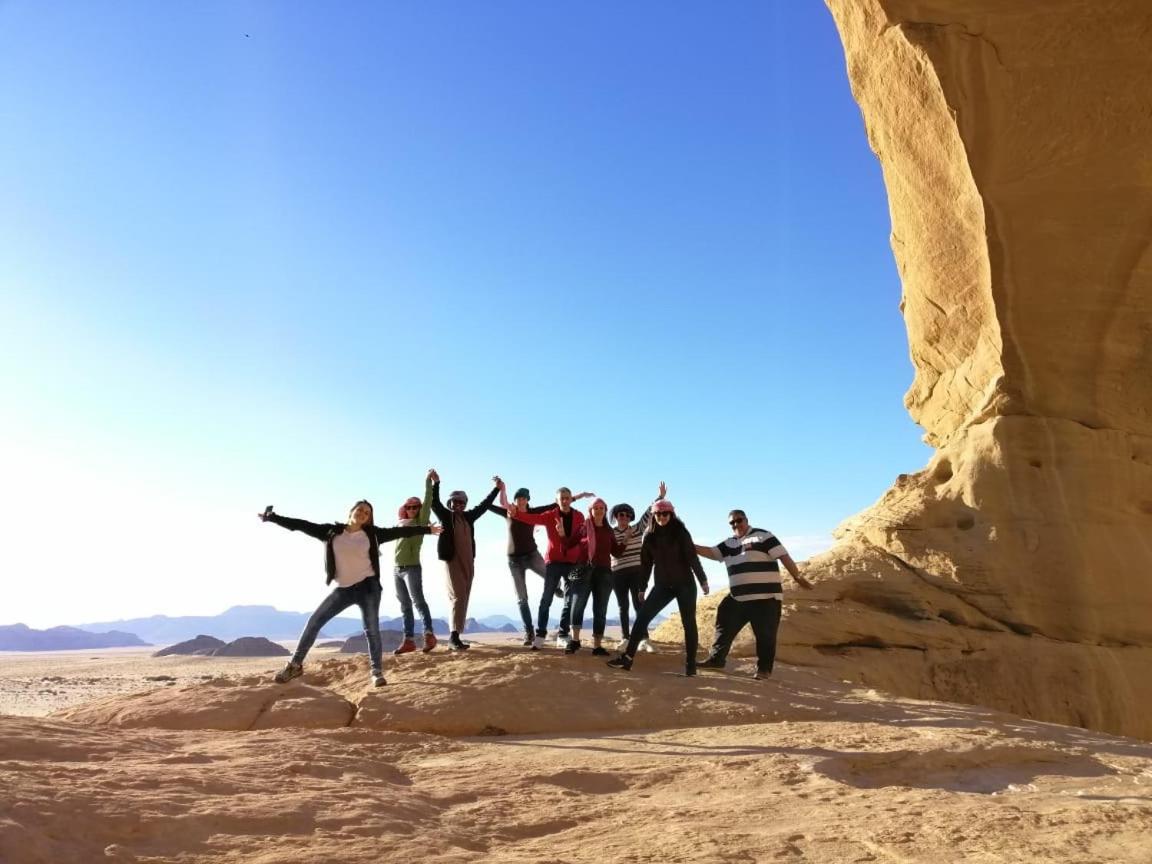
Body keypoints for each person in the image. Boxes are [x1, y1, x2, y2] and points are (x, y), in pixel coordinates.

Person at [259, 499, 439, 687]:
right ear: (351, 511)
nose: (362, 513)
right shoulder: (330, 532)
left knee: (371, 630)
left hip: (368, 589)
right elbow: (301, 525)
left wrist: (427, 530)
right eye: (360, 509)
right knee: (314, 621)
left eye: (367, 512)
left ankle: (376, 672)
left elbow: (401, 531)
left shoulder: (373, 534)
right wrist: (273, 518)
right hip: (343, 590)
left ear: (368, 518)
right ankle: (295, 665)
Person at [695, 510, 814, 679]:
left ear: (746, 519)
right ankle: (716, 660)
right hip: (738, 598)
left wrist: (797, 576)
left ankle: (764, 670)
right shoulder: (730, 543)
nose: (736, 524)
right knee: (724, 621)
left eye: (739, 520)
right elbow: (711, 552)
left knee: (765, 635)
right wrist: (689, 545)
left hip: (765, 598)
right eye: (732, 523)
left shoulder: (763, 536)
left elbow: (783, 556)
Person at [607, 499, 709, 676]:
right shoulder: (650, 536)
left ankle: (690, 666)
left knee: (688, 623)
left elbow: (692, 558)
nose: (661, 517)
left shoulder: (681, 533)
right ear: (654, 516)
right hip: (662, 585)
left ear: (671, 514)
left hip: (685, 584)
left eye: (665, 513)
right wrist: (642, 588)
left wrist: (703, 580)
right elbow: (646, 565)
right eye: (658, 514)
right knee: (642, 618)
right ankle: (627, 658)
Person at [508, 486, 594, 649]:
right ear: (557, 501)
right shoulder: (550, 516)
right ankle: (540, 635)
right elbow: (533, 518)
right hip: (553, 563)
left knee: (569, 600)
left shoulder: (579, 516)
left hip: (572, 563)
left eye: (567, 497)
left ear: (570, 499)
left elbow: (583, 538)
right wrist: (517, 514)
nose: (565, 500)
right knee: (546, 599)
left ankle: (563, 634)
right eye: (561, 498)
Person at [429, 470, 502, 651]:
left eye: (462, 502)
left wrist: (496, 490)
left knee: (464, 597)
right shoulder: (446, 516)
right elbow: (434, 502)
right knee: (457, 596)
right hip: (452, 561)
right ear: (451, 503)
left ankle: (457, 635)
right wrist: (436, 483)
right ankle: (453, 637)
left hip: (468, 562)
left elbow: (484, 506)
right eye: (455, 502)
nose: (459, 505)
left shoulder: (469, 517)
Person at [487, 483, 564, 648]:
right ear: (514, 501)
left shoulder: (534, 512)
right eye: (518, 498)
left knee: (551, 575)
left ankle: (556, 587)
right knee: (522, 599)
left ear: (527, 500)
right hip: (514, 561)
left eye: (523, 498)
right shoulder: (510, 513)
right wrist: (498, 489)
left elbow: (556, 504)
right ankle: (529, 632)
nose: (521, 500)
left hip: (532, 555)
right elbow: (487, 506)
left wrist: (576, 496)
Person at [559, 498, 626, 655]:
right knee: (577, 605)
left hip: (604, 573)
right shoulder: (583, 528)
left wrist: (626, 539)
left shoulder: (609, 530)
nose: (599, 510)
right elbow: (568, 545)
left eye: (602, 508)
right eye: (596, 508)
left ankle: (597, 646)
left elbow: (616, 552)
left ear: (605, 510)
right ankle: (575, 641)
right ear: (591, 510)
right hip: (583, 571)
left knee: (600, 609)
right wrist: (562, 534)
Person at [610, 481, 666, 652]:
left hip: (636, 572)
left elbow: (648, 513)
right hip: (617, 573)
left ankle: (644, 639)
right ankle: (625, 638)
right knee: (622, 607)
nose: (624, 517)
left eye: (627, 515)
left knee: (639, 605)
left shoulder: (637, 529)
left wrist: (660, 497)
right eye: (621, 515)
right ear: (616, 517)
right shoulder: (611, 533)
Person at [392, 469, 438, 655]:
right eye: (409, 507)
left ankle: (428, 635)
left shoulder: (421, 523)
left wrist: (429, 482)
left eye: (415, 507)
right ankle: (409, 641)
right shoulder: (401, 524)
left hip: (411, 568)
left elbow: (428, 502)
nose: (412, 510)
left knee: (418, 601)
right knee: (404, 605)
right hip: (396, 569)